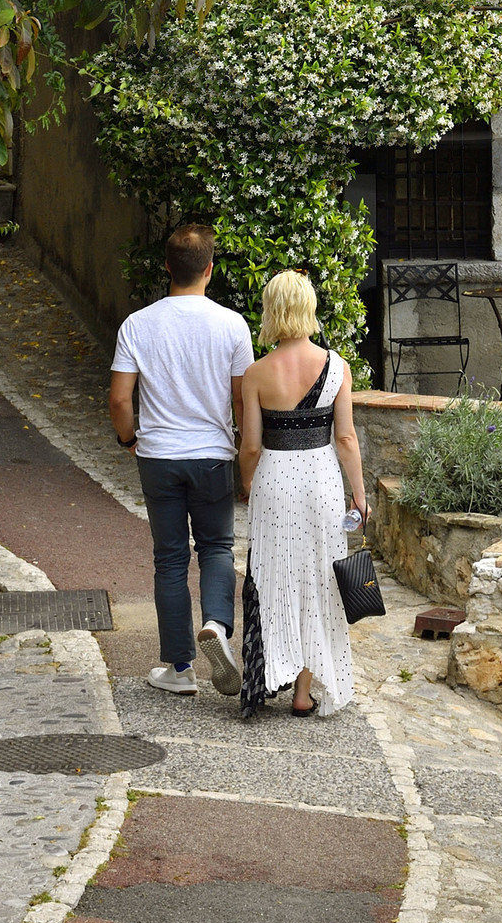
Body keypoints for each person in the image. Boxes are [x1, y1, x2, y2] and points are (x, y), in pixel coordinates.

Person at [109, 221, 253, 699]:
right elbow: (240, 399)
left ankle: (179, 668)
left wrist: (129, 438)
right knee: (216, 548)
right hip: (212, 456)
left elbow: (119, 400)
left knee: (169, 559)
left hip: (159, 457)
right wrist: (244, 454)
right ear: (210, 270)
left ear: (167, 266)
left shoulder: (137, 324)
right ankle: (216, 624)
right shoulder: (232, 325)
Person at [237, 270, 367, 720]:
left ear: (272, 311)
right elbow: (346, 439)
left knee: (273, 575)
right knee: (319, 577)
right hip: (321, 482)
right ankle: (303, 691)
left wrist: (249, 482)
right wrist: (360, 495)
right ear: (308, 308)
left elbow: (251, 445)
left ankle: (272, 667)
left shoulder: (255, 373)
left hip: (275, 480)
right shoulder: (337, 366)